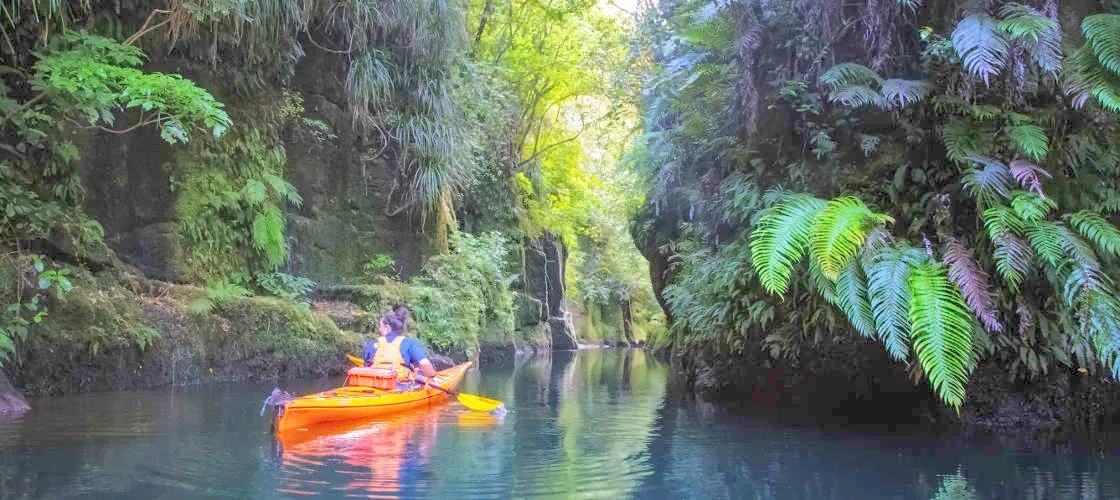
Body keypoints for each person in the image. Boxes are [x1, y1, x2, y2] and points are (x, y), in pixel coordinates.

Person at [364, 313, 437, 385]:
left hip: (373, 384)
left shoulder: (372, 344)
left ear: (387, 328)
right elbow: (424, 363)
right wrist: (432, 375)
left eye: (380, 326)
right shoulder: (410, 343)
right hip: (399, 385)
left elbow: (367, 365)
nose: (379, 330)